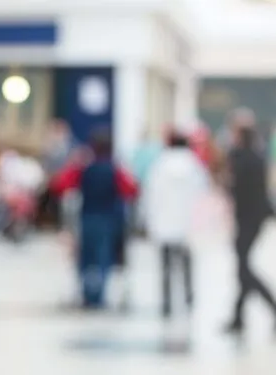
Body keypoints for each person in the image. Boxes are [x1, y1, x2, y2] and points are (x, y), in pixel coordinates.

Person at [51, 128, 138, 308]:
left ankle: (88, 294)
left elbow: (59, 186)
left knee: (86, 258)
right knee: (103, 258)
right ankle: (99, 295)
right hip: (110, 220)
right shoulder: (116, 170)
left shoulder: (84, 169)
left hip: (87, 218)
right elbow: (132, 191)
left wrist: (74, 163)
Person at [143, 131, 210, 318]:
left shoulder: (159, 165)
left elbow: (150, 194)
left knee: (165, 265)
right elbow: (203, 191)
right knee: (186, 263)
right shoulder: (194, 165)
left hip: (164, 222)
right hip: (186, 223)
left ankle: (167, 302)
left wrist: (148, 219)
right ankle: (188, 297)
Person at [224, 125, 276, 334]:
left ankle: (272, 306)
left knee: (244, 269)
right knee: (242, 268)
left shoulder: (245, 160)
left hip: (249, 220)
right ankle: (238, 317)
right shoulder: (255, 157)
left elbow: (238, 190)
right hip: (252, 219)